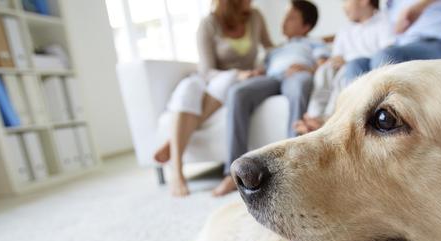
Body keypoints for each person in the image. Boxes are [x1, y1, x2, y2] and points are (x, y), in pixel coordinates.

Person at [154, 0, 273, 197]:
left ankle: (173, 141)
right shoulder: (208, 24)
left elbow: (269, 47)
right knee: (187, 87)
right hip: (213, 78)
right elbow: (206, 70)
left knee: (229, 81)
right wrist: (237, 73)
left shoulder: (255, 17)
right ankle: (177, 172)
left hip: (238, 81)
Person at [212, 0, 326, 196]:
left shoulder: (314, 42)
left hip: (296, 74)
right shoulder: (275, 50)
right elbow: (265, 68)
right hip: (271, 77)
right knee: (238, 92)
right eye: (284, 15)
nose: (284, 21)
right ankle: (231, 173)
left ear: (306, 26)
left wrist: (309, 68)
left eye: (291, 17)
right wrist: (258, 72)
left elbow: (324, 62)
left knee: (301, 85)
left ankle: (293, 166)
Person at [294, 0, 394, 134]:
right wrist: (335, 60)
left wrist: (346, 61)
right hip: (342, 66)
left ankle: (330, 118)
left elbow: (385, 54)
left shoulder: (384, 21)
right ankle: (314, 116)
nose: (343, 6)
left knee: (344, 73)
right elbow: (336, 56)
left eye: (346, 1)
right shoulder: (346, 29)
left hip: (360, 68)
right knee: (325, 70)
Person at [343, 0, 441, 83]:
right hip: (399, 48)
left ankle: (389, 111)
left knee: (384, 56)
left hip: (432, 42)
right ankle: (361, 112)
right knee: (355, 64)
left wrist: (418, 8)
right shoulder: (390, 4)